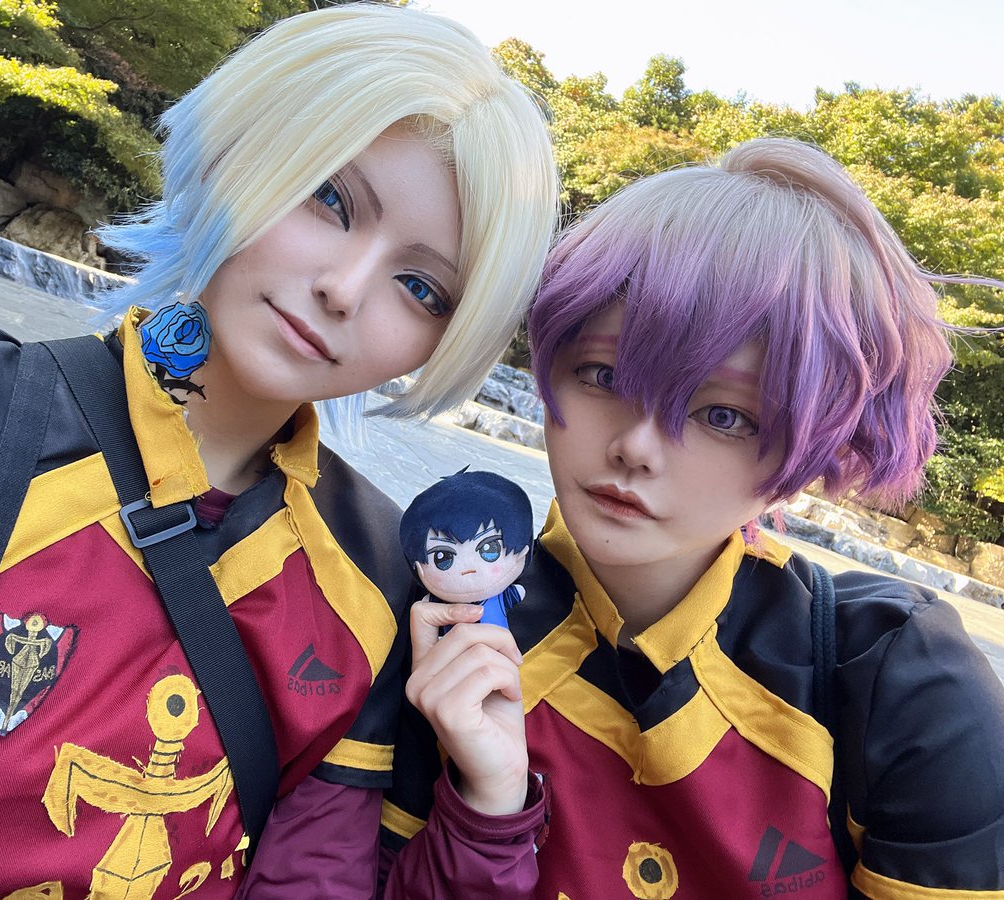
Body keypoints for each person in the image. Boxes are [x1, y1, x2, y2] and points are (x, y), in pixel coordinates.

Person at [0, 4, 559, 897]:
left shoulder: (378, 586)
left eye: (421, 287)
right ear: (241, 150)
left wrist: (490, 805)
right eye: (329, 197)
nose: (345, 288)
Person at [383, 138, 1004, 897]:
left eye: (724, 415)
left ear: (813, 448)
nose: (637, 446)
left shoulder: (901, 680)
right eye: (603, 374)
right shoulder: (442, 616)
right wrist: (488, 809)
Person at [400, 469, 534, 631]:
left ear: (522, 552)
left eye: (489, 549)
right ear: (419, 568)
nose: (469, 568)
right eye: (443, 557)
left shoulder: (507, 596)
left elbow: (517, 594)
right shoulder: (432, 607)